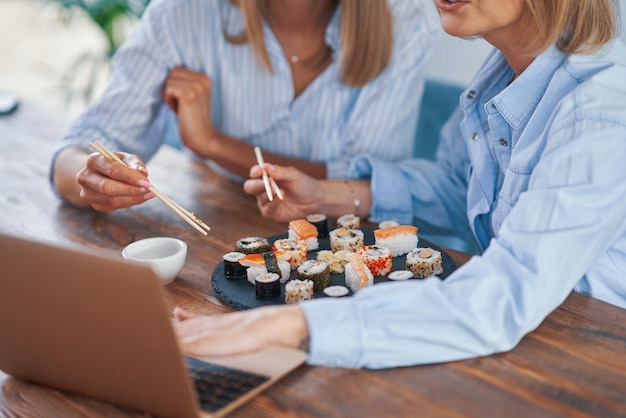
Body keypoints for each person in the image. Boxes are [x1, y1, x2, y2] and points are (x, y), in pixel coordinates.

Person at [173, 0, 626, 369]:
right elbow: (456, 185)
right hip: (526, 335)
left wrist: (290, 326)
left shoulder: (600, 115)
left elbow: (506, 296)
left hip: (589, 355)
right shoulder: (505, 71)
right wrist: (327, 194)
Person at [50, 0, 440, 212]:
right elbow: (80, 149)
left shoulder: (403, 16)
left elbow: (369, 186)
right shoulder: (182, 13)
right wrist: (94, 178)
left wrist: (213, 144)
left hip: (347, 247)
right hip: (220, 229)